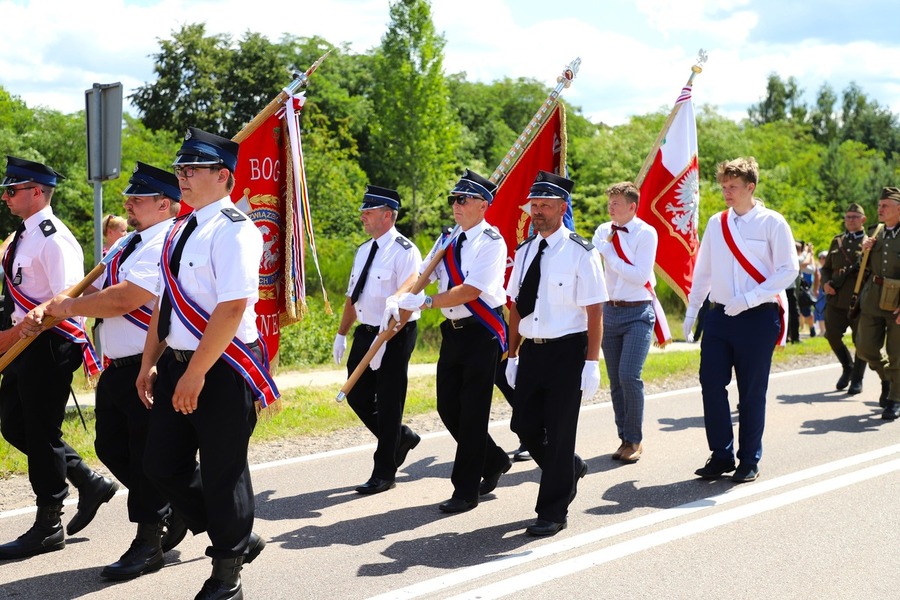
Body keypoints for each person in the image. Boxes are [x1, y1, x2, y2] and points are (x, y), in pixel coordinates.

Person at [24, 162, 188, 579]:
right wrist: (64, 296)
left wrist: (69, 307)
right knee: (112, 448)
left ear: (166, 205)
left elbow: (124, 300)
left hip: (147, 365)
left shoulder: (162, 242)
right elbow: (99, 287)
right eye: (129, 197)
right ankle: (182, 507)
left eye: (139, 197)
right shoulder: (129, 242)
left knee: (147, 455)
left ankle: (149, 540)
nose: (129, 203)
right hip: (118, 366)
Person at [135, 128, 273, 600]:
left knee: (223, 470)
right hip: (176, 363)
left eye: (192, 169)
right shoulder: (179, 228)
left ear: (223, 176)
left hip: (222, 369)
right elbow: (164, 302)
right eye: (180, 169)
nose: (183, 177)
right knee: (159, 464)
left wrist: (196, 373)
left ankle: (227, 572)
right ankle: (235, 533)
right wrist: (149, 362)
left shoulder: (236, 229)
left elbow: (232, 308)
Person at [0, 156, 118, 560]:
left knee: (40, 431)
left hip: (50, 344)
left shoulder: (53, 237)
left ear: (36, 192)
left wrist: (32, 325)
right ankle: (88, 481)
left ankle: (49, 524)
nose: (5, 196)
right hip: (24, 344)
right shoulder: (24, 234)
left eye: (12, 190)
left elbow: (70, 296)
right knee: (14, 424)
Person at [388, 169, 512, 514]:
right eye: (453, 200)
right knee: (448, 408)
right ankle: (496, 458)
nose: (456, 205)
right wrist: (399, 299)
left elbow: (472, 290)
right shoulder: (447, 239)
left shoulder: (492, 242)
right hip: (453, 332)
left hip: (481, 331)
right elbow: (421, 274)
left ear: (483, 205)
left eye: (463, 199)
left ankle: (465, 490)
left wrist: (426, 302)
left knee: (473, 412)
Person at [683, 157, 798, 483]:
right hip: (719, 316)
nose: (726, 192)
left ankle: (749, 459)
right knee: (710, 383)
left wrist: (749, 298)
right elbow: (703, 270)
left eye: (733, 187)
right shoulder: (716, 223)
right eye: (723, 186)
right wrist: (693, 311)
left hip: (757, 317)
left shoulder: (773, 223)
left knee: (750, 391)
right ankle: (721, 454)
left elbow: (788, 270)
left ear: (751, 187)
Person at [505, 171, 607, 536]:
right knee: (523, 425)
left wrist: (591, 364)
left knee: (561, 432)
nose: (538, 212)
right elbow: (516, 304)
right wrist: (512, 353)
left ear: (562, 208)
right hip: (532, 351)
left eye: (546, 205)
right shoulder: (524, 250)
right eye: (534, 205)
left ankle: (552, 511)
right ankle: (567, 468)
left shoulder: (581, 252)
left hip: (568, 352)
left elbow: (595, 311)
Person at [333, 185, 422, 495]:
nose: (363, 218)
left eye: (368, 213)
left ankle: (384, 471)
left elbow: (409, 293)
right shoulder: (363, 250)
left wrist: (389, 335)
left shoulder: (405, 250)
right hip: (367, 331)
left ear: (388, 215)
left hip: (395, 334)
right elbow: (352, 295)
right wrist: (341, 333)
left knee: (388, 401)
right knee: (356, 394)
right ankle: (399, 438)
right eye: (363, 212)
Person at [591, 181, 659, 463]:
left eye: (616, 203)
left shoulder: (646, 233)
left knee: (630, 375)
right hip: (610, 311)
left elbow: (640, 274)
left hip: (638, 312)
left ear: (632, 206)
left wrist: (609, 254)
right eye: (609, 202)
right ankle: (624, 438)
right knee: (616, 380)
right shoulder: (602, 231)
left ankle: (635, 439)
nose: (610, 207)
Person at [821, 203, 889, 399]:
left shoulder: (872, 242)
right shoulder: (837, 241)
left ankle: (857, 378)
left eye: (854, 216)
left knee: (861, 342)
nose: (850, 220)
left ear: (863, 220)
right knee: (832, 335)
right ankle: (847, 367)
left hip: (860, 300)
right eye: (847, 216)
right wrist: (825, 284)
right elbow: (826, 269)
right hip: (836, 299)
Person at [857, 187, 900, 421]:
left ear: (898, 209)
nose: (879, 209)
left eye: (885, 206)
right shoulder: (876, 232)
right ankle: (888, 379)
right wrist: (863, 251)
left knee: (897, 353)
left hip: (897, 300)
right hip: (873, 296)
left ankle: (895, 398)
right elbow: (863, 265)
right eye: (879, 205)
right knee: (865, 348)